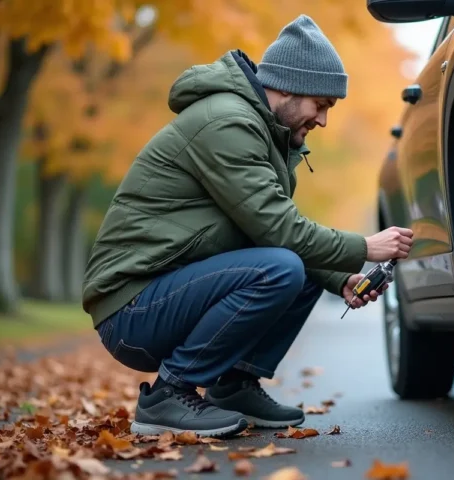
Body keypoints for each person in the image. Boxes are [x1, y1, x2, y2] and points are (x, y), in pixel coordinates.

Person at [82, 14, 414, 439]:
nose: (324, 121)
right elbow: (278, 230)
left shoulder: (260, 128)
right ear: (289, 87)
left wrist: (338, 278)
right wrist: (365, 247)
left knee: (300, 264)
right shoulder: (227, 122)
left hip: (163, 294)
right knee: (284, 265)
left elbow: (272, 233)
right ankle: (168, 395)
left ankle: (234, 385)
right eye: (322, 105)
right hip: (131, 309)